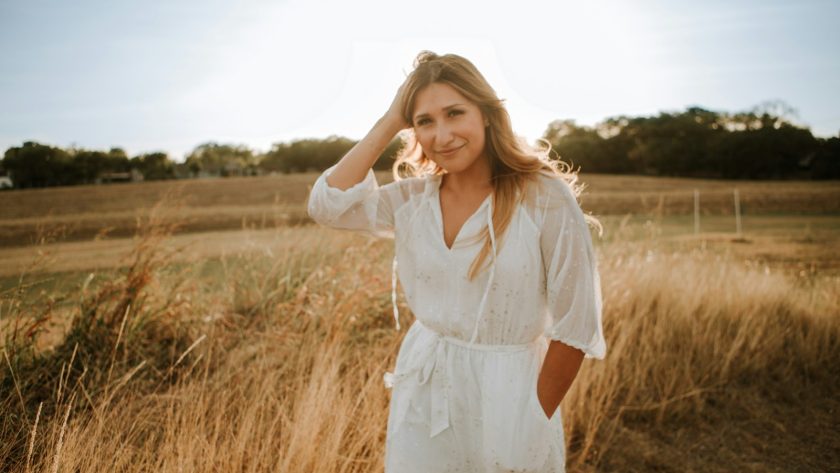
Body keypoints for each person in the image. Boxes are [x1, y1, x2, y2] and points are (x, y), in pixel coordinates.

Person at [307, 51, 606, 472]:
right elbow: (326, 207)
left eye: (454, 113)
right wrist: (391, 119)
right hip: (424, 385)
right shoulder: (413, 200)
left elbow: (576, 327)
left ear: (486, 113)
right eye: (424, 121)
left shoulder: (543, 198)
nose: (441, 135)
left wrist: (533, 418)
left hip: (511, 394)